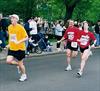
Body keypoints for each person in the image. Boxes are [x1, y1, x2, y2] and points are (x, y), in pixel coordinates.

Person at [6, 14, 28, 82]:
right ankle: (18, 65)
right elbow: (11, 37)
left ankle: (24, 75)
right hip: (12, 48)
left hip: (20, 48)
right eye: (11, 18)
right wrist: (9, 44)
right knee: (8, 61)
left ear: (16, 19)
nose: (11, 19)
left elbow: (26, 37)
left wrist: (19, 42)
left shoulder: (20, 27)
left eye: (13, 18)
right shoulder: (9, 27)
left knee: (21, 64)